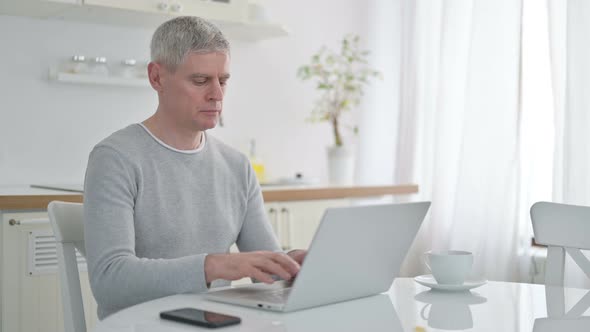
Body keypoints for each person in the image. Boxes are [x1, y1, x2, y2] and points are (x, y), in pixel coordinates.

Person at [83, 16, 307, 319]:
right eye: (200, 81)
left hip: (213, 325)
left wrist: (291, 264)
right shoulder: (115, 158)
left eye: (223, 80)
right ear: (157, 77)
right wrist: (213, 265)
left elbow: (267, 273)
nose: (217, 94)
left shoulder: (236, 166)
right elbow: (110, 280)